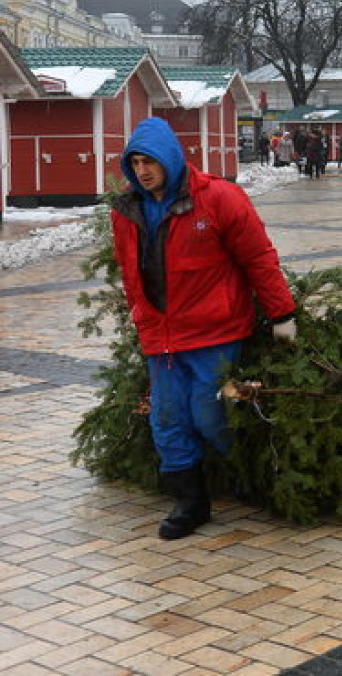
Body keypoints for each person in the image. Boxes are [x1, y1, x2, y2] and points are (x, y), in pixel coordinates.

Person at [109, 117, 297, 540]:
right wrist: (137, 314)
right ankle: (191, 503)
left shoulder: (218, 199)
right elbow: (130, 271)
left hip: (215, 331)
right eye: (135, 162)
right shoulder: (127, 211)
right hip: (162, 337)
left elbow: (258, 258)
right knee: (167, 418)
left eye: (150, 161)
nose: (142, 171)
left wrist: (282, 314)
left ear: (171, 159)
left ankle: (247, 476)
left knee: (210, 414)